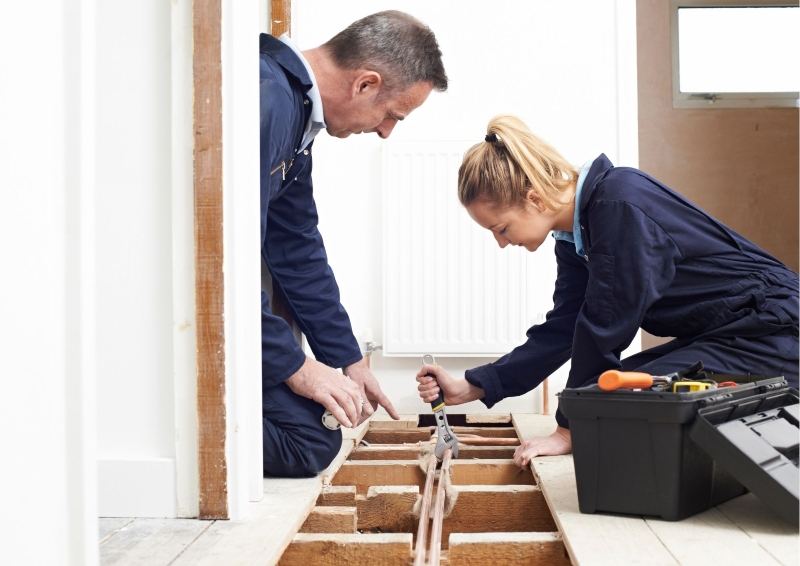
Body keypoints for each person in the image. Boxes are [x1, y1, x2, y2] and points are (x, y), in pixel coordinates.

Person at [417, 115, 799, 468]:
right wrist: (476, 384)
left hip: (774, 333)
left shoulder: (619, 204)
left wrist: (569, 428)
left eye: (500, 229)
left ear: (533, 199)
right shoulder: (574, 238)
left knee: (609, 405)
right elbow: (566, 328)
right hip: (728, 334)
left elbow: (605, 326)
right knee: (607, 396)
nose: (501, 243)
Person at [260, 11, 447, 477]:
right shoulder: (267, 101)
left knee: (315, 433)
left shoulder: (296, 113)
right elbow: (220, 263)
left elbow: (296, 246)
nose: (386, 131)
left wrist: (346, 360)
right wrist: (298, 367)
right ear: (365, 84)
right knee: (308, 441)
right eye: (392, 115)